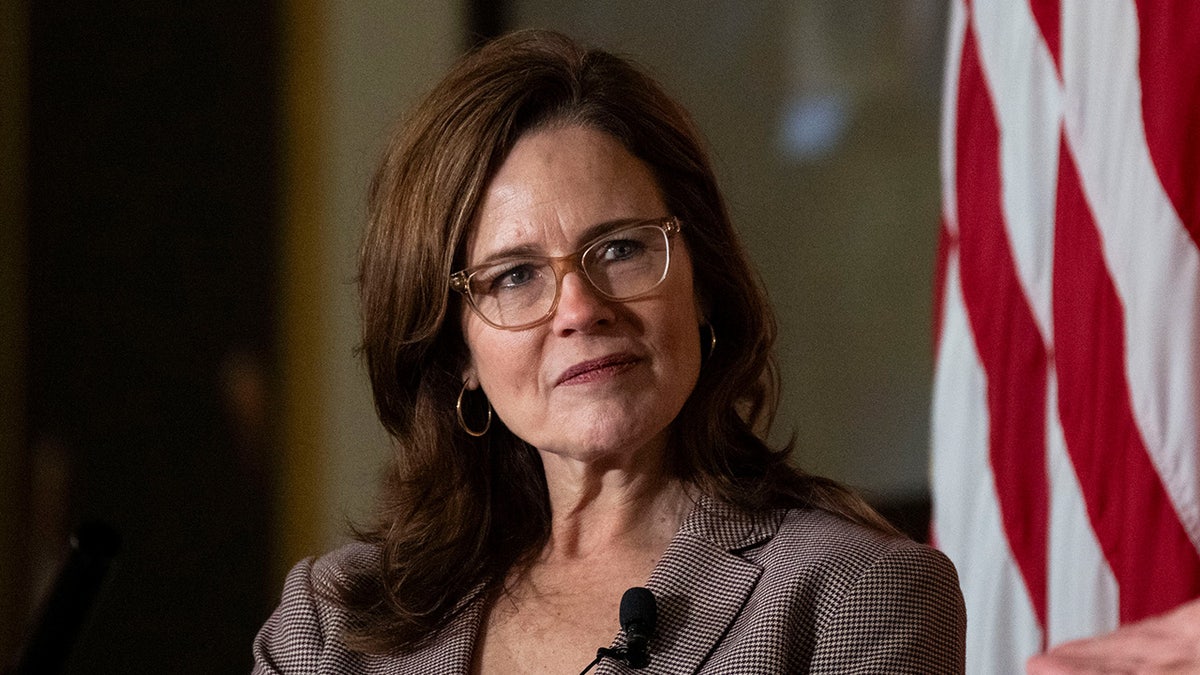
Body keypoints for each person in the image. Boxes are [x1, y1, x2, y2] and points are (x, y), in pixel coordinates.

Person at [252, 29, 966, 674]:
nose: (581, 310)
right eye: (514, 275)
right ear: (457, 350)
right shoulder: (331, 624)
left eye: (620, 248)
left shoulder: (855, 596)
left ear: (704, 283)